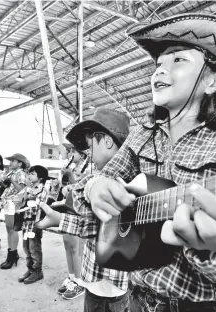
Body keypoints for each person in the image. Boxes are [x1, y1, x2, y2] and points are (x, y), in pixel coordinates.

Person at [69, 13, 216, 312]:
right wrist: (96, 187)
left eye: (178, 60)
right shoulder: (142, 135)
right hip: (137, 299)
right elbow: (88, 190)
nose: (159, 70)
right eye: (159, 63)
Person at [38, 108, 131, 311]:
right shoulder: (95, 179)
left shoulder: (133, 185)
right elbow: (91, 227)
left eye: (90, 146)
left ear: (107, 141)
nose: (88, 153)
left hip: (119, 287)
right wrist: (59, 220)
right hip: (93, 281)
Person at [57, 143, 92, 300]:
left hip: (79, 209)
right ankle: (71, 278)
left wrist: (70, 176)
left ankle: (80, 281)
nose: (70, 154)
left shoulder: (89, 168)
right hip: (67, 206)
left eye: (73, 151)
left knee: (76, 246)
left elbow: (81, 186)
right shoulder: (71, 167)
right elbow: (66, 186)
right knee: (67, 244)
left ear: (83, 154)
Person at [17, 165, 49, 284]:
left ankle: (37, 271)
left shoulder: (43, 189)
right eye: (29, 174)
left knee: (34, 247)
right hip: (26, 222)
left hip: (35, 222)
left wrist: (31, 198)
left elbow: (41, 204)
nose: (29, 176)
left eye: (32, 174)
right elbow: (21, 200)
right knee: (26, 246)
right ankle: (30, 269)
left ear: (40, 177)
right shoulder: (28, 188)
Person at [0, 153, 29, 269]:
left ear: (20, 163)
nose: (10, 163)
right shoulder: (11, 173)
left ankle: (12, 255)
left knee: (12, 229)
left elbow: (21, 190)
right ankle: (12, 252)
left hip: (14, 203)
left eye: (13, 161)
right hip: (7, 202)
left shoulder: (21, 174)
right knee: (8, 229)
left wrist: (11, 180)